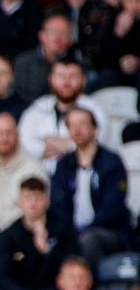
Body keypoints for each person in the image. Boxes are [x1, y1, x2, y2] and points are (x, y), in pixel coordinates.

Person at [0, 176, 82, 290]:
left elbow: (73, 266)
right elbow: (2, 276)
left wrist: (47, 249)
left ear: (47, 200)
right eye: (28, 197)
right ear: (20, 201)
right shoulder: (10, 234)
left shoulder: (63, 227)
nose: (33, 203)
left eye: (38, 197)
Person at [49, 108, 129, 264]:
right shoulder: (64, 164)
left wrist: (82, 232)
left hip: (108, 232)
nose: (77, 130)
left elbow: (112, 209)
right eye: (72, 125)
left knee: (88, 241)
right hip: (72, 233)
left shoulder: (112, 162)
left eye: (82, 124)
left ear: (95, 128)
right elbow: (58, 205)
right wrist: (69, 233)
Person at [19, 57, 104, 173]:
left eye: (72, 76)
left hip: (80, 177)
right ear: (51, 80)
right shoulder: (39, 107)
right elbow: (24, 143)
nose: (66, 82)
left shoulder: (95, 108)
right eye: (61, 76)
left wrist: (48, 139)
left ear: (84, 80)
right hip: (40, 179)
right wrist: (73, 145)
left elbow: (98, 142)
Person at [0, 112, 48, 231]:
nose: (4, 138)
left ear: (17, 135)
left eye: (9, 133)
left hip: (20, 233)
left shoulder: (34, 168)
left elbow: (41, 210)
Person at [46, 0, 116, 71]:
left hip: (95, 69)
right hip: (58, 69)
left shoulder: (105, 10)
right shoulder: (52, 11)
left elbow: (107, 48)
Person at [11, 14, 76, 105]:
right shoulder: (22, 62)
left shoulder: (77, 65)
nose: (57, 38)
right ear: (41, 35)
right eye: (53, 32)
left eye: (63, 33)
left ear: (70, 40)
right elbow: (17, 95)